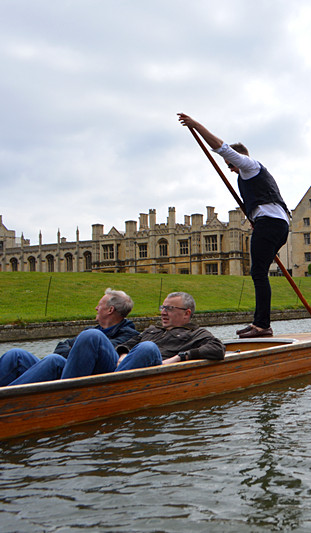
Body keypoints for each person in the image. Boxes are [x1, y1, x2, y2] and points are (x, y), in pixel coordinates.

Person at [178, 113, 290, 339]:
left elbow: (221, 147)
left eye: (230, 164)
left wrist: (196, 125)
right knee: (259, 272)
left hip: (270, 224)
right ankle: (259, 323)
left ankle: (262, 325)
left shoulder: (249, 165)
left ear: (238, 157)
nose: (229, 168)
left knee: (258, 273)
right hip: (273, 224)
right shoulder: (250, 175)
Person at [8, 292, 225, 386]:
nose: (163, 312)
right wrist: (122, 354)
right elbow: (127, 345)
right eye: (162, 307)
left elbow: (218, 349)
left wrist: (179, 357)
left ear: (186, 313)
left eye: (169, 308)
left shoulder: (196, 333)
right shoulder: (151, 330)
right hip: (116, 370)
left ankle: (67, 394)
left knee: (147, 348)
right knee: (22, 356)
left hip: (143, 373)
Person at [1, 289, 139, 387]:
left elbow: (89, 354)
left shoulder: (128, 334)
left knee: (53, 360)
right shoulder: (91, 330)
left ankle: (6, 402)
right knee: (16, 355)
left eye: (100, 305)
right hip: (67, 370)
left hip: (91, 380)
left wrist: (76, 348)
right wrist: (75, 350)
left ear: (110, 310)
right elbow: (61, 348)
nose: (96, 308)